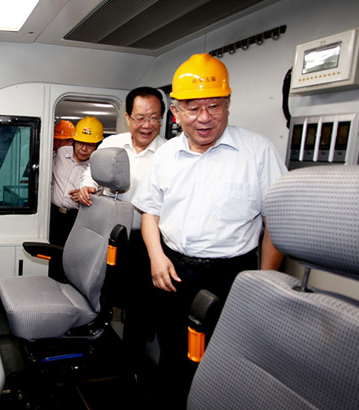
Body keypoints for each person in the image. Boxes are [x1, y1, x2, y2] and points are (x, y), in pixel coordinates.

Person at [132, 53, 287, 408]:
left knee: (224, 360)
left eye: (214, 106)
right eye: (193, 108)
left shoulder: (258, 151)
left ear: (228, 104)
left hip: (232, 275)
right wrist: (156, 257)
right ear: (176, 112)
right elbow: (150, 212)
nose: (204, 118)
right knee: (172, 353)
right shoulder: (165, 156)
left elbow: (275, 223)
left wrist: (262, 283)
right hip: (173, 271)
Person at [77, 86, 167, 384]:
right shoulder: (112, 145)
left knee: (139, 306)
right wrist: (87, 187)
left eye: (154, 118)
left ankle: (131, 365)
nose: (147, 125)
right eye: (140, 117)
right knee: (101, 293)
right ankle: (96, 347)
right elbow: (91, 176)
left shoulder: (169, 153)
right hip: (107, 234)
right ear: (128, 117)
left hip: (144, 241)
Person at [50, 116, 103, 247]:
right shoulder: (61, 153)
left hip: (79, 220)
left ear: (97, 146)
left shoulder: (98, 167)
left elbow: (103, 200)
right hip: (52, 216)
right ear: (73, 141)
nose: (84, 149)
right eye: (80, 143)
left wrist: (86, 196)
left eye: (90, 145)